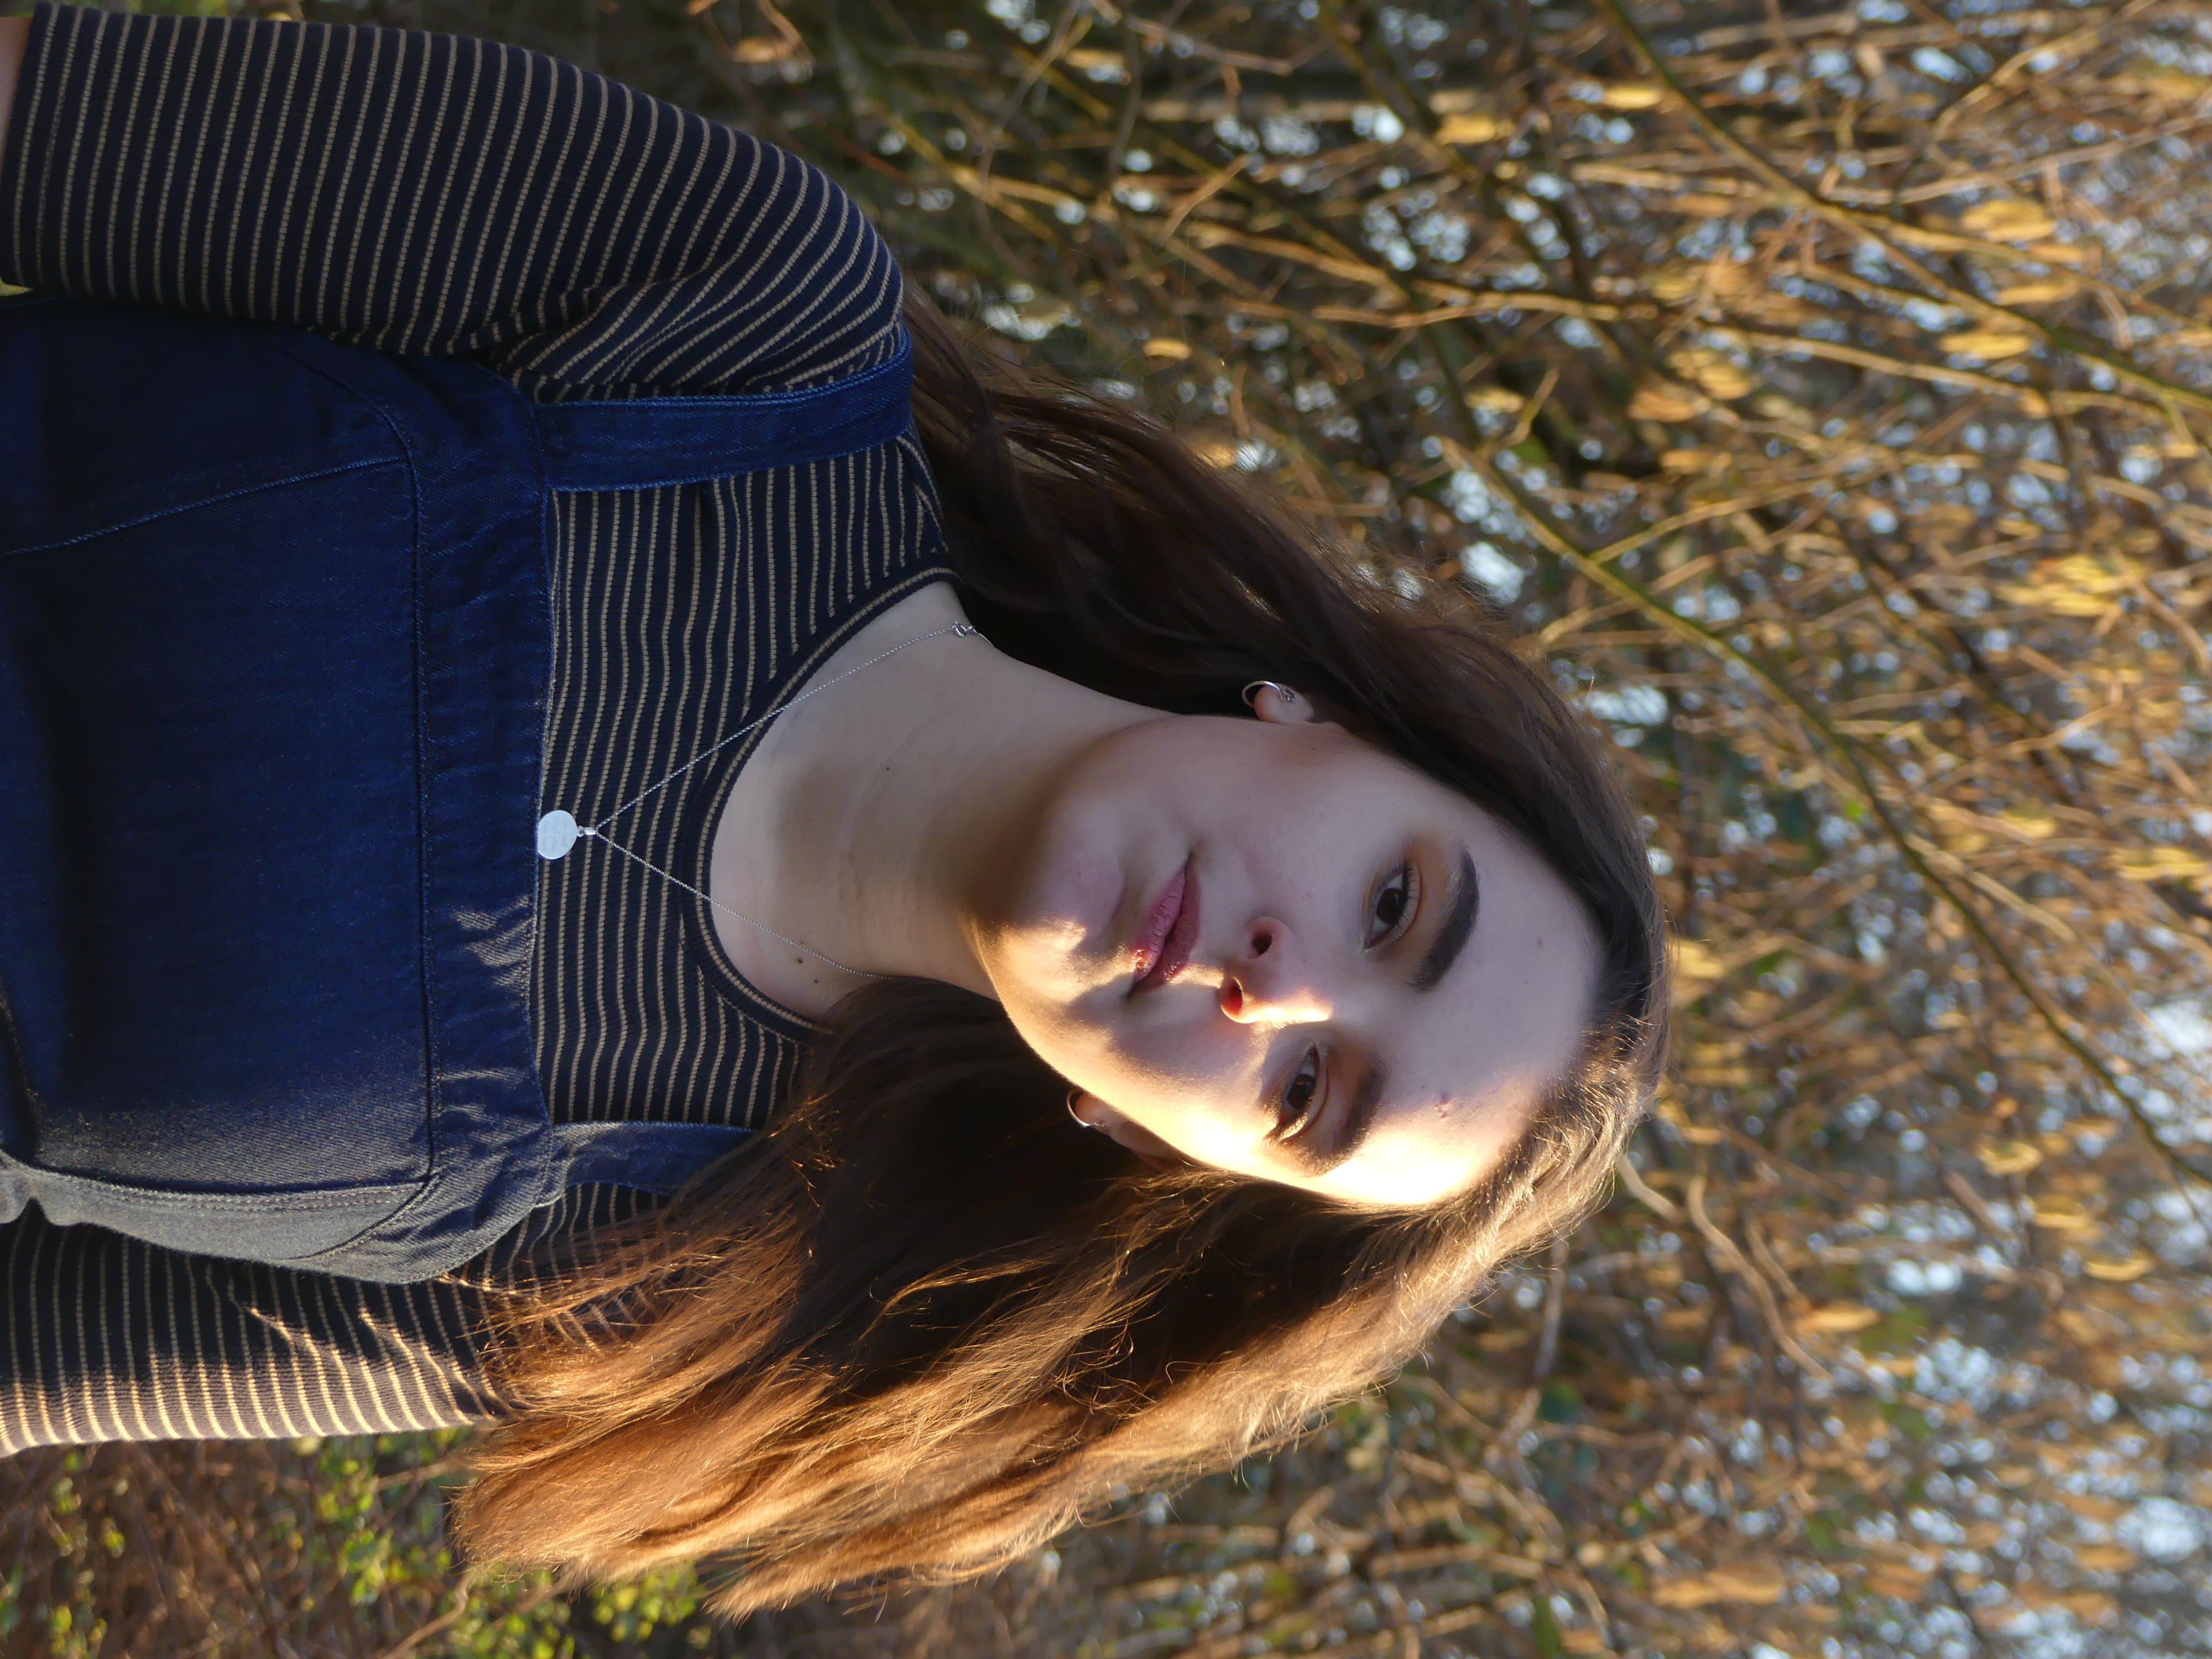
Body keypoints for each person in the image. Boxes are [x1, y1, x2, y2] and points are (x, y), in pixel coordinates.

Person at [0, 1, 1668, 1616]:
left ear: (1162, 1144)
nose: (1274, 987)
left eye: (1309, 1092)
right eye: (1391, 905)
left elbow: (24, 1356)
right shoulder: (746, 314)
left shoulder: (667, 1288)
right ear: (1315, 721)